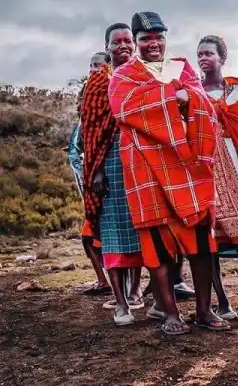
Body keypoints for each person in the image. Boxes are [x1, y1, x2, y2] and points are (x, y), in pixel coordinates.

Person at [109, 11, 230, 335]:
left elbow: (203, 102)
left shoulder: (181, 67)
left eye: (159, 37)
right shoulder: (123, 75)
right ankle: (171, 314)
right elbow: (125, 108)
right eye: (146, 38)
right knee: (157, 242)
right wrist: (173, 96)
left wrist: (187, 97)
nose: (154, 44)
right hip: (146, 167)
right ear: (136, 42)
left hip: (187, 165)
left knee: (201, 239)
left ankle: (204, 311)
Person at [197, 35, 238, 320]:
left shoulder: (236, 90)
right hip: (207, 167)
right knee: (211, 239)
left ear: (222, 58)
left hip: (236, 165)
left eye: (209, 54)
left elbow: (237, 122)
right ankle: (223, 303)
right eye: (200, 54)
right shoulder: (193, 89)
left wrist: (207, 108)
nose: (203, 58)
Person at [80, 24, 144, 325]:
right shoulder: (98, 82)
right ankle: (120, 303)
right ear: (107, 47)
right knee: (112, 231)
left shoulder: (143, 76)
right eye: (116, 42)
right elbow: (91, 131)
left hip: (141, 163)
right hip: (110, 166)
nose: (123, 46)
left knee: (142, 229)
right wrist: (96, 171)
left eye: (128, 41)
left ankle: (136, 290)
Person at [66, 115, 110, 297]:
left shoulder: (98, 122)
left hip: (103, 194)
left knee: (100, 238)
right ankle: (104, 281)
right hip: (94, 199)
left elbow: (74, 152)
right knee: (89, 237)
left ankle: (122, 286)